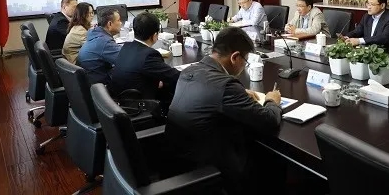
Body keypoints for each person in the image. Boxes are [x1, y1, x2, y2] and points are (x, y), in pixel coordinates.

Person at [166, 26, 283, 195]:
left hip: (176, 161)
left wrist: (239, 93)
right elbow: (269, 120)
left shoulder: (190, 70)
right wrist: (272, 100)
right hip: (206, 170)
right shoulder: (226, 86)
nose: (244, 65)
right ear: (235, 57)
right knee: (270, 160)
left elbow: (211, 93)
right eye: (245, 61)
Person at [110, 12, 181, 100]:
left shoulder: (126, 47)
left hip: (121, 99)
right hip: (140, 103)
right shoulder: (149, 55)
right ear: (155, 35)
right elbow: (173, 76)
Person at [77, 8, 122, 85]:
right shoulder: (105, 42)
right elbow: (127, 61)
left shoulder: (95, 34)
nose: (121, 23)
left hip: (92, 82)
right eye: (119, 20)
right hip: (102, 85)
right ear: (109, 24)